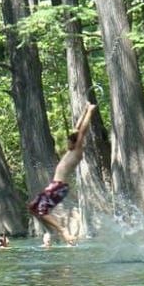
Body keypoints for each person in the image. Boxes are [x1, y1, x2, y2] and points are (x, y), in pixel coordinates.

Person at [28, 102, 98, 244]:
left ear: (74, 142)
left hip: (59, 186)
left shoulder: (77, 149)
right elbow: (76, 128)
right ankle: (55, 230)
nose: (67, 145)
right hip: (54, 185)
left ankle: (63, 230)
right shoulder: (71, 150)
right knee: (32, 207)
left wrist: (90, 112)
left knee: (42, 211)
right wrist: (84, 110)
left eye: (68, 142)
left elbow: (82, 131)